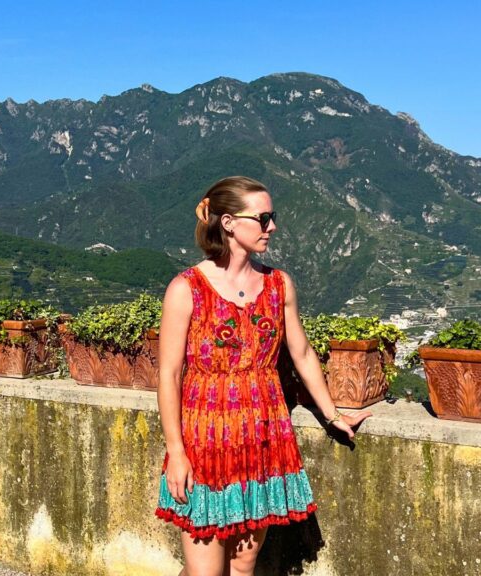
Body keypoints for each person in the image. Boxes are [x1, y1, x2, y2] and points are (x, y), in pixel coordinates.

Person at [155, 176, 370, 576]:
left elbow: (301, 353)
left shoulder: (278, 285)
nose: (272, 227)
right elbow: (168, 374)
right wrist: (177, 453)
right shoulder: (186, 289)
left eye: (272, 217)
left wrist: (333, 414)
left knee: (244, 564)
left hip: (262, 438)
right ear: (229, 223)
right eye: (264, 218)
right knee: (205, 571)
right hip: (205, 441)